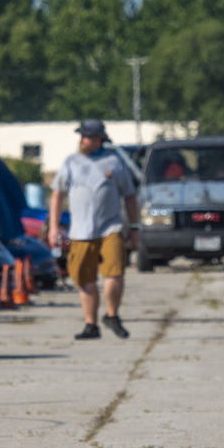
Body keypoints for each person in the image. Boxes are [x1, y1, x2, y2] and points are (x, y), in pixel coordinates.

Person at [48, 120, 139, 340]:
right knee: (83, 278)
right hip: (80, 232)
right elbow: (58, 194)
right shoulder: (71, 162)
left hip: (111, 227)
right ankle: (91, 324)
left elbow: (129, 196)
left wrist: (134, 227)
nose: (83, 140)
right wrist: (54, 227)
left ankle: (112, 315)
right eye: (82, 136)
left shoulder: (114, 162)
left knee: (115, 271)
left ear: (99, 139)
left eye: (88, 137)